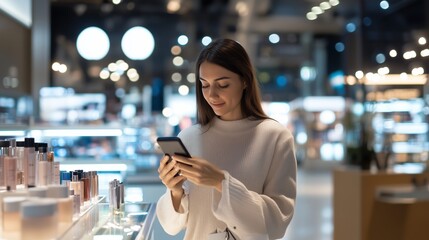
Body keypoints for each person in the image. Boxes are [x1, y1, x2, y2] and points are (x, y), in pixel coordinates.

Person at [156, 38, 297, 240]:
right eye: (204, 85)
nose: (212, 95)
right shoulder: (189, 137)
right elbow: (171, 226)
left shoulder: (276, 137)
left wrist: (221, 182)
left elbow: (276, 223)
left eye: (222, 84)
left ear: (245, 81)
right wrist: (175, 192)